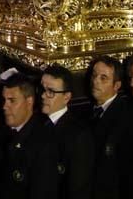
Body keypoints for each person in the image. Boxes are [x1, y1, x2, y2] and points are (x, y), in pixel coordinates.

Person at [88, 55, 133, 199]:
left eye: (103, 78)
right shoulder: (88, 113)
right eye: (94, 76)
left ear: (117, 85)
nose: (95, 81)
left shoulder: (127, 117)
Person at [0, 73, 59, 198]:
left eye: (12, 100)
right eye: (4, 100)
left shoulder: (43, 142)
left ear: (29, 101)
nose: (5, 107)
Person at [41, 65, 93, 199]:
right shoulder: (37, 124)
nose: (43, 96)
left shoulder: (78, 135)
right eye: (42, 89)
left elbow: (77, 188)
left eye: (50, 91)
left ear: (66, 97)